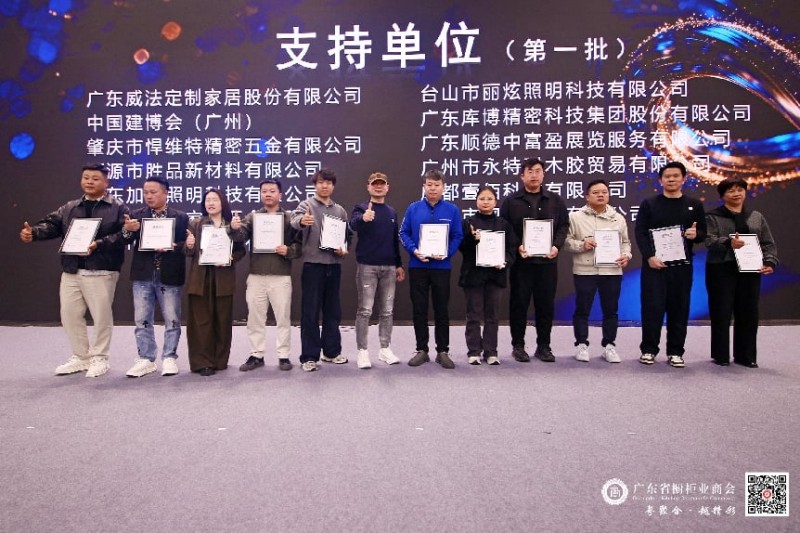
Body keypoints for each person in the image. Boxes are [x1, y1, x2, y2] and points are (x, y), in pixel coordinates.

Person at [19, 162, 127, 378]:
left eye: (95, 178)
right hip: (71, 270)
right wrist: (34, 233)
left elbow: (125, 235)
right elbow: (51, 225)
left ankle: (100, 358)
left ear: (106, 182)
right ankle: (81, 356)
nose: (89, 182)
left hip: (101, 270)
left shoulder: (118, 208)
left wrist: (99, 244)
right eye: (86, 177)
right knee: (69, 315)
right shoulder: (70, 207)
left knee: (101, 317)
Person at [634, 162, 706, 368]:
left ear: (684, 179)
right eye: (667, 176)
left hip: (682, 266)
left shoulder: (694, 205)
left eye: (676, 176)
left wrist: (695, 235)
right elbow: (640, 232)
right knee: (652, 308)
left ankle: (675, 351)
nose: (671, 179)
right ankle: (649, 349)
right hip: (654, 266)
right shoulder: (649, 204)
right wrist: (649, 257)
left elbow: (703, 232)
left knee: (679, 308)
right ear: (660, 180)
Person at [499, 157, 569, 363]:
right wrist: (517, 246)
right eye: (529, 171)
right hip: (521, 264)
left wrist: (556, 246)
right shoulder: (511, 201)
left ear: (543, 174)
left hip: (547, 263)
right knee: (519, 305)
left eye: (538, 171)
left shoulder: (555, 201)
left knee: (545, 305)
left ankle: (544, 346)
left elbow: (563, 226)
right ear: (522, 176)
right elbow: (505, 227)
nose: (534, 175)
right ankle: (518, 346)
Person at [705, 177, 778, 368]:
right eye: (731, 191)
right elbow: (708, 239)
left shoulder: (756, 216)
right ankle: (720, 355)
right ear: (722, 196)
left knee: (748, 311)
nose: (736, 194)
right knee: (721, 311)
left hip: (750, 269)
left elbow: (767, 243)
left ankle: (746, 356)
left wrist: (769, 261)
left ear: (745, 192)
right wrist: (728, 242)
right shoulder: (713, 216)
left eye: (740, 190)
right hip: (721, 268)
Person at [122, 177, 189, 377]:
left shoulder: (181, 217)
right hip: (143, 274)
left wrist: (174, 246)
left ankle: (169, 357)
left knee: (172, 319)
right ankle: (146, 358)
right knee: (142, 319)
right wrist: (128, 230)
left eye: (153, 192)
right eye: (145, 192)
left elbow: (186, 246)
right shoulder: (136, 216)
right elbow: (125, 239)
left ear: (165, 193)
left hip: (169, 273)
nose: (148, 196)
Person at [234, 179, 302, 373]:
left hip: (281, 276)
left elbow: (299, 246)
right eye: (264, 191)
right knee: (255, 318)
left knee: (283, 318)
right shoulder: (253, 217)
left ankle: (283, 355)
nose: (268, 194)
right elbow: (241, 237)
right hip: (256, 275)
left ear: (280, 195)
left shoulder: (289, 218)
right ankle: (256, 354)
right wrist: (235, 227)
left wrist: (288, 250)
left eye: (272, 191)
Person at [399, 169, 463, 369]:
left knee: (441, 308)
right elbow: (403, 233)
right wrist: (414, 250)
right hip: (418, 265)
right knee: (419, 308)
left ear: (444, 187)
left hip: (441, 267)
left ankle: (442, 351)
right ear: (424, 186)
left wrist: (447, 252)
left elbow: (458, 236)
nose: (433, 188)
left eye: (437, 185)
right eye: (429, 185)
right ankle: (422, 350)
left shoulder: (452, 210)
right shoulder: (413, 208)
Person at [564, 179, 632, 363]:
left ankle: (609, 346)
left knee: (611, 310)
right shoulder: (575, 217)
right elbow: (566, 242)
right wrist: (582, 244)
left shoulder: (618, 218)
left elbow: (626, 243)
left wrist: (626, 255)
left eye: (604, 192)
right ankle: (581, 344)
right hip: (585, 270)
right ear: (587, 196)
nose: (601, 195)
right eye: (596, 192)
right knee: (582, 309)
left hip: (611, 270)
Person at [290, 168, 351, 372]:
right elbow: (294, 221)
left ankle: (331, 352)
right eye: (321, 182)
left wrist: (343, 249)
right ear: (315, 185)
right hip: (313, 266)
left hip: (334, 266)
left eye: (329, 183)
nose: (325, 186)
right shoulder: (306, 205)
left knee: (333, 311)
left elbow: (346, 236)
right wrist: (302, 221)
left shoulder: (340, 210)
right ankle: (309, 356)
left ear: (333, 186)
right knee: (310, 312)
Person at [184, 189, 246, 376]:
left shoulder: (231, 224)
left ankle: (220, 360)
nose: (210, 203)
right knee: (201, 322)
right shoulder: (196, 224)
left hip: (223, 277)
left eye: (214, 200)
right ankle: (202, 362)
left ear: (222, 203)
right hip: (200, 278)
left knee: (222, 320)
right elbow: (187, 251)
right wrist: (189, 245)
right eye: (207, 200)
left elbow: (240, 250)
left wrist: (230, 258)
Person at [349, 172, 405, 369]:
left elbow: (394, 241)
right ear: (368, 187)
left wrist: (398, 264)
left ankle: (385, 348)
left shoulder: (391, 212)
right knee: (365, 310)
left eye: (382, 184)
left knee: (387, 311)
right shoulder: (361, 208)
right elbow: (352, 225)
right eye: (375, 184)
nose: (378, 187)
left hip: (389, 267)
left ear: (387, 187)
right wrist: (363, 218)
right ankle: (362, 351)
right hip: (367, 266)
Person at [458, 186, 517, 365]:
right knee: (474, 315)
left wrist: (504, 261)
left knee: (492, 316)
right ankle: (474, 351)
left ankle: (491, 352)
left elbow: (511, 249)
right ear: (476, 201)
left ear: (495, 202)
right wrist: (472, 239)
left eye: (489, 199)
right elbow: (462, 248)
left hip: (495, 275)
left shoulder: (503, 224)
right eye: (482, 198)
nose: (485, 202)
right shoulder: (469, 222)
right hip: (473, 276)